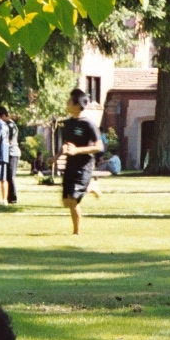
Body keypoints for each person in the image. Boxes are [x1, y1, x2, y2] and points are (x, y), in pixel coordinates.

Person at [60, 89, 105, 234]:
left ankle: (76, 233)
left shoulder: (89, 124)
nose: (67, 104)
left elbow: (99, 146)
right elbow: (67, 144)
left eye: (69, 101)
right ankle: (90, 187)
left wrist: (77, 150)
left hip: (84, 165)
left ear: (77, 105)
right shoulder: (66, 124)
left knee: (73, 200)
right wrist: (56, 157)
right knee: (66, 201)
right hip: (70, 165)